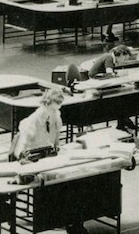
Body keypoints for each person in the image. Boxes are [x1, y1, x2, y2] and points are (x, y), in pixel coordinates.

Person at [10, 89, 90, 234]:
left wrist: (59, 148)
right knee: (60, 182)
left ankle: (72, 221)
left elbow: (56, 138)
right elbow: (20, 151)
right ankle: (62, 220)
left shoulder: (55, 115)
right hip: (35, 159)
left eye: (58, 108)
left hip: (50, 156)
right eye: (53, 108)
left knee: (74, 177)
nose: (55, 111)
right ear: (46, 104)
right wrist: (25, 161)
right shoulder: (33, 120)